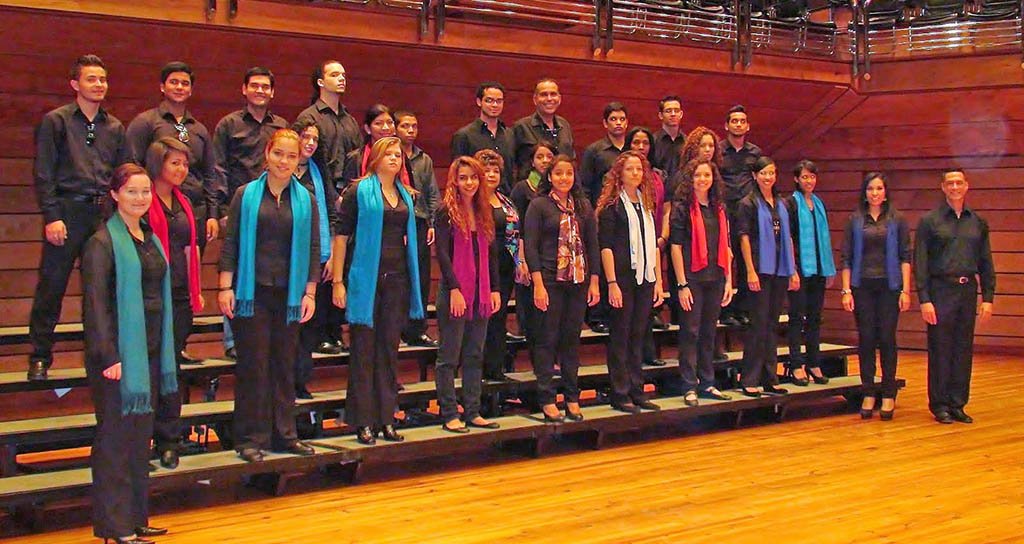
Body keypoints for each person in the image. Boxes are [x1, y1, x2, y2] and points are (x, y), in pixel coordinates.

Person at [83, 163, 173, 543]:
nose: (140, 198)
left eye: (145, 192)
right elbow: (96, 307)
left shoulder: (148, 238)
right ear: (115, 195)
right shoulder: (102, 243)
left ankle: (136, 517)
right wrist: (109, 357)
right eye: (132, 191)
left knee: (139, 442)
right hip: (118, 359)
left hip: (148, 353)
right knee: (115, 443)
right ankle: (113, 526)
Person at [217, 129, 319, 462]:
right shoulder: (246, 195)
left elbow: (314, 248)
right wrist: (224, 287)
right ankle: (249, 438)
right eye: (279, 154)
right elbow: (230, 243)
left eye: (292, 156)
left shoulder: (306, 199)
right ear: (267, 154)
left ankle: (284, 435)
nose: (285, 161)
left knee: (283, 366)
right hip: (252, 292)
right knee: (253, 366)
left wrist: (310, 293)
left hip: (289, 297)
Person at [28, 54, 128, 381]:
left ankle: (99, 355)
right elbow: (44, 174)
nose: (98, 85)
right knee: (52, 285)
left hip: (102, 213)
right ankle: (40, 354)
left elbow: (122, 173)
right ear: (75, 84)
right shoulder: (55, 122)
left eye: (102, 79)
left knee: (100, 288)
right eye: (91, 79)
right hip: (67, 211)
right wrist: (52, 216)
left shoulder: (114, 127)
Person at [332, 136, 425, 445]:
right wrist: (337, 281)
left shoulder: (406, 195)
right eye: (389, 154)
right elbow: (342, 236)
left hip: (397, 280)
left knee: (388, 352)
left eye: (399, 155)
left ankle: (386, 418)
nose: (395, 159)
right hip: (365, 280)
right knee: (363, 352)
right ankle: (362, 421)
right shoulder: (359, 191)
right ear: (375, 158)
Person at [212, 66, 288, 360]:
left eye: (265, 87)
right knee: (236, 268)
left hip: (275, 211)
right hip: (239, 208)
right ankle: (233, 339)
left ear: (272, 92)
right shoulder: (228, 125)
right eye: (254, 85)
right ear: (244, 89)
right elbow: (217, 168)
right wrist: (221, 210)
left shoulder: (280, 126)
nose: (260, 91)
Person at [914, 168, 996, 425]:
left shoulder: (978, 222)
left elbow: (985, 261)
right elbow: (921, 262)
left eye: (959, 182)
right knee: (940, 348)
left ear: (966, 186)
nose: (955, 187)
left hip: (967, 290)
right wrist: (924, 298)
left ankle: (958, 403)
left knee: (962, 348)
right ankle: (939, 404)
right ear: (943, 187)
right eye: (950, 183)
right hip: (940, 290)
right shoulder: (930, 221)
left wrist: (988, 297)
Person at [524, 155, 600, 422]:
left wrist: (594, 281)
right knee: (547, 341)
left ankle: (572, 396)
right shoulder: (538, 205)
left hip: (578, 283)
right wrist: (538, 285)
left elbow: (593, 245)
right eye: (558, 173)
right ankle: (546, 398)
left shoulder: (583, 206)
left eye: (568, 173)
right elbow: (530, 246)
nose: (564, 178)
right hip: (549, 281)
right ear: (550, 177)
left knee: (571, 342)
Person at [144, 137, 204, 469]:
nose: (181, 169)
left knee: (172, 373)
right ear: (158, 164)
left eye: (184, 164)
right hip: (150, 298)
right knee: (151, 370)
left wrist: (196, 289)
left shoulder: (183, 201)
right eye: (174, 163)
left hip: (179, 297)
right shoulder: (143, 200)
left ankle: (169, 439)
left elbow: (190, 247)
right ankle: (142, 439)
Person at [433, 157, 502, 433]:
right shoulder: (445, 212)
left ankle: (472, 411)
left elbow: (492, 255)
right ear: (455, 180)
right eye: (463, 178)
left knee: (474, 354)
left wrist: (495, 288)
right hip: (454, 293)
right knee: (449, 357)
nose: (469, 183)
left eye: (473, 177)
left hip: (481, 293)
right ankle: (450, 413)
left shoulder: (485, 211)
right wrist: (454, 289)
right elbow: (442, 254)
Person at [839, 172, 911, 421]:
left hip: (890, 287)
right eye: (871, 189)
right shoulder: (855, 220)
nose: (875, 193)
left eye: (879, 188)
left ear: (886, 191)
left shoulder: (897, 219)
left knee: (887, 339)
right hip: (862, 288)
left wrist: (905, 290)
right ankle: (868, 391)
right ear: (865, 192)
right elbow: (846, 258)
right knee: (867, 339)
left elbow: (905, 257)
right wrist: (846, 290)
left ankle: (888, 393)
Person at [125, 62, 220, 249]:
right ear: (162, 86)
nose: (179, 87)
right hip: (155, 209)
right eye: (173, 82)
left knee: (189, 267)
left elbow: (210, 174)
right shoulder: (145, 122)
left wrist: (212, 214)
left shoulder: (199, 129)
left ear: (191, 90)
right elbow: (132, 165)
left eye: (185, 83)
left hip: (195, 210)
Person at [596, 151, 664, 413]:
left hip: (644, 279)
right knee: (620, 337)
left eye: (639, 169)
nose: (635, 173)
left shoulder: (646, 204)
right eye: (630, 169)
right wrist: (611, 282)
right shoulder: (613, 206)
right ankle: (620, 393)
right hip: (621, 280)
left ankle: (637, 390)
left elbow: (653, 244)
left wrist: (657, 280)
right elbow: (606, 248)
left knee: (639, 336)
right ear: (619, 174)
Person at [669, 159, 734, 406]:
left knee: (709, 332)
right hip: (692, 279)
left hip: (715, 277)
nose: (703, 179)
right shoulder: (682, 208)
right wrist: (681, 284)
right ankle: (689, 385)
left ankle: (708, 382)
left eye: (707, 175)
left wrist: (728, 280)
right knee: (690, 332)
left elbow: (726, 246)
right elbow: (675, 247)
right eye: (698, 175)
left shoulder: (719, 208)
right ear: (691, 178)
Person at [735, 156, 799, 398]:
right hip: (759, 270)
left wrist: (792, 269)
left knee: (772, 325)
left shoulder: (784, 204)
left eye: (771, 173)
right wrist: (750, 270)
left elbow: (789, 238)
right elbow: (743, 238)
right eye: (763, 173)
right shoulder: (747, 204)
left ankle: (770, 377)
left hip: (780, 270)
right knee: (757, 325)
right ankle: (749, 378)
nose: (768, 177)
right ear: (755, 176)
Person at [291, 120, 339, 400]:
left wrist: (331, 252)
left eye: (314, 139)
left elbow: (331, 214)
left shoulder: (318, 173)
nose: (310, 142)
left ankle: (301, 380)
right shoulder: (282, 173)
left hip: (317, 256)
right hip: (286, 260)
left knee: (310, 326)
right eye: (305, 136)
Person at [475, 149, 528, 382]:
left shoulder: (505, 199)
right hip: (481, 265)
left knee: (499, 317)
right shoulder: (473, 201)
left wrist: (520, 261)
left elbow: (515, 235)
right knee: (482, 319)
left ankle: (495, 369)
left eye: (495, 171)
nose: (492, 175)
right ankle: (478, 371)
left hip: (505, 266)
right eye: (486, 171)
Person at [785, 160, 836, 388]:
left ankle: (814, 363)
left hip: (819, 268)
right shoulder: (790, 204)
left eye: (812, 177)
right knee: (796, 318)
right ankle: (796, 365)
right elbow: (787, 239)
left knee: (815, 318)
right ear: (796, 179)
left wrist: (829, 267)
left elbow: (824, 238)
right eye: (804, 177)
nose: (809, 181)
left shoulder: (819, 203)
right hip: (799, 269)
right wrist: (791, 269)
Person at [624, 127, 671, 366]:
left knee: (648, 306)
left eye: (645, 142)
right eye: (636, 142)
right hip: (630, 251)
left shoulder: (656, 175)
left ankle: (648, 355)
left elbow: (664, 208)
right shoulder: (624, 177)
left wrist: (662, 236)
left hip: (654, 241)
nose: (641, 146)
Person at [395, 110, 441, 348]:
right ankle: (397, 329)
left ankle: (417, 328)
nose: (410, 131)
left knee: (421, 278)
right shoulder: (391, 156)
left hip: (421, 222)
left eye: (414, 126)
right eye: (405, 126)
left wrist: (433, 222)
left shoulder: (424, 159)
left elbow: (433, 194)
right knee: (399, 278)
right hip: (397, 223)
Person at [509, 141, 555, 359]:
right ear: (532, 161)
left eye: (549, 157)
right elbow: (515, 225)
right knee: (530, 311)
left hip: (551, 257)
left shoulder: (556, 189)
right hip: (527, 253)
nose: (545, 161)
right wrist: (521, 259)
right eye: (540, 157)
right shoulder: (522, 188)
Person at [719, 105, 762, 327]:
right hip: (724, 212)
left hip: (747, 213)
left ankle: (743, 308)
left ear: (747, 126)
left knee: (747, 262)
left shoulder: (755, 153)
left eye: (742, 121)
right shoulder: (718, 151)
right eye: (734, 121)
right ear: (726, 125)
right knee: (725, 262)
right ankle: (724, 310)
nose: (738, 124)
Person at [295, 59, 362, 191]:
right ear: (320, 82)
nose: (342, 79)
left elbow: (358, 156)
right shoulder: (309, 117)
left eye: (343, 75)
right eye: (334, 75)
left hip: (349, 189)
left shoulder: (350, 120)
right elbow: (307, 158)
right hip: (317, 187)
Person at [451, 81, 515, 194]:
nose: (494, 105)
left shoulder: (509, 135)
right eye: (489, 100)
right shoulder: (464, 135)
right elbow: (457, 174)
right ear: (479, 102)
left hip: (504, 199)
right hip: (475, 200)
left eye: (499, 101)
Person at [512, 78, 575, 179]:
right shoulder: (522, 127)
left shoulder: (565, 125)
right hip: (531, 190)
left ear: (559, 98)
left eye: (553, 94)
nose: (549, 99)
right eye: (544, 94)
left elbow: (571, 160)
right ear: (535, 99)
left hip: (561, 187)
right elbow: (512, 166)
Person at [580, 102, 628, 205]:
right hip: (602, 209)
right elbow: (585, 188)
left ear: (627, 123)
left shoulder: (632, 150)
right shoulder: (594, 151)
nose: (618, 123)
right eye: (613, 119)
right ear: (605, 123)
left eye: (622, 119)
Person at [651, 95, 685, 178]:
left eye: (676, 111)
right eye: (668, 111)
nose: (673, 114)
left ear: (681, 114)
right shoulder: (653, 141)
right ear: (660, 115)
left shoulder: (687, 142)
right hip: (658, 189)